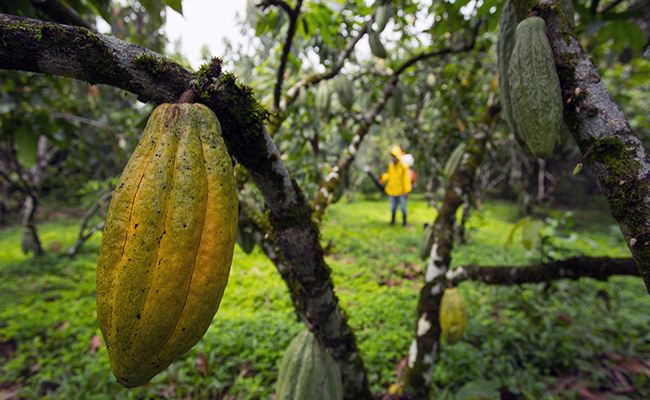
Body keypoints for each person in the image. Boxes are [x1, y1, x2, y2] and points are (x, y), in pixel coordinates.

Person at [379, 146, 412, 226]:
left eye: (395, 156)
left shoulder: (404, 166)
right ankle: (392, 221)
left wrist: (406, 190)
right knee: (393, 208)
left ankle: (404, 222)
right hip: (392, 191)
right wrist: (382, 177)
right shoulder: (391, 166)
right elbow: (389, 176)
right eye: (392, 156)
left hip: (401, 191)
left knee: (403, 208)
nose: (393, 158)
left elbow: (406, 179)